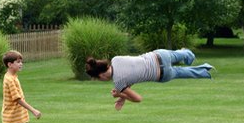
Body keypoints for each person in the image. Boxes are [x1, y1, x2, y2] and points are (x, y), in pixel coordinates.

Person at [85, 49, 213, 110]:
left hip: (161, 74)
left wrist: (120, 94)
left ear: (101, 76)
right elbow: (133, 72)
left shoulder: (118, 83)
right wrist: (122, 98)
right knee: (182, 53)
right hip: (159, 56)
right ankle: (188, 55)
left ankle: (204, 71)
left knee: (182, 72)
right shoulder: (116, 59)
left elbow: (138, 99)